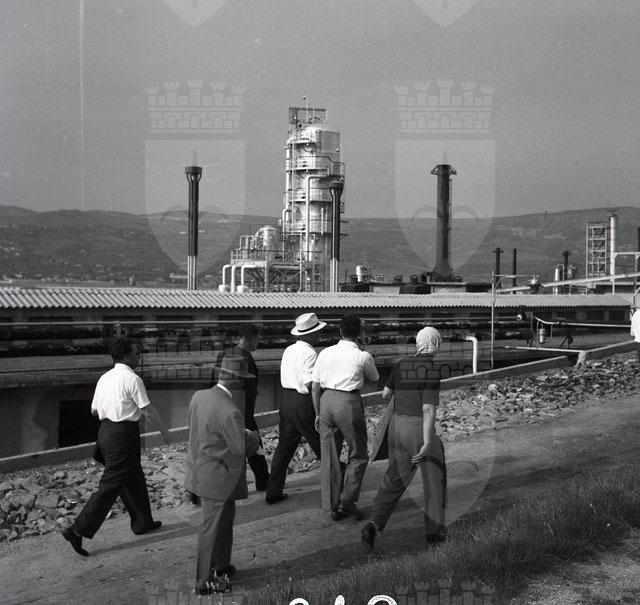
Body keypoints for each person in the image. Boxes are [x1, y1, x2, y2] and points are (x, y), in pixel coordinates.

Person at [61, 338, 170, 557]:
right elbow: (147, 410)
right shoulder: (132, 379)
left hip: (105, 432)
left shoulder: (104, 378)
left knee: (133, 476)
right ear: (127, 356)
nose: (139, 356)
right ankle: (77, 530)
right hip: (123, 434)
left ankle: (143, 522)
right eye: (137, 353)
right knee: (110, 485)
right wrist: (164, 432)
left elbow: (94, 410)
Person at [361, 326, 447, 552]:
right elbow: (428, 409)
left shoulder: (401, 364)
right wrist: (427, 442)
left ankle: (373, 524)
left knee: (394, 479)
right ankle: (434, 533)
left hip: (396, 427)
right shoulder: (432, 370)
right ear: (435, 344)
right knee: (434, 479)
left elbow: (386, 394)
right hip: (417, 428)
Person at [185, 356, 260, 593]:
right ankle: (203, 581)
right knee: (212, 528)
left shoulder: (199, 396)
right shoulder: (230, 410)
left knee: (224, 521)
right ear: (236, 381)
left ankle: (222, 566)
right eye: (243, 380)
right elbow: (240, 448)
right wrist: (253, 438)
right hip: (218, 478)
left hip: (201, 470)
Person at [312, 314, 379, 521]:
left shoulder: (325, 353)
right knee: (357, 453)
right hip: (348, 402)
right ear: (360, 332)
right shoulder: (362, 356)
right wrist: (364, 347)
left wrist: (317, 413)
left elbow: (315, 387)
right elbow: (375, 379)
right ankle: (347, 502)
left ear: (340, 331)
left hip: (326, 400)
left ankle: (333, 504)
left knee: (330, 454)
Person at [265, 312, 326, 505]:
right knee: (321, 444)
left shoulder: (289, 350)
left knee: (284, 448)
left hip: (286, 400)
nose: (319, 335)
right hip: (302, 402)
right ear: (310, 334)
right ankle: (337, 483)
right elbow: (309, 383)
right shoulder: (310, 353)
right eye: (317, 332)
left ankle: (273, 490)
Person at [212, 324, 269, 491]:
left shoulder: (223, 354)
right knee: (253, 445)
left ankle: (262, 479)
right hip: (241, 411)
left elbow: (214, 382)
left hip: (223, 408)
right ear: (251, 338)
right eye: (258, 339)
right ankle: (263, 480)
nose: (258, 343)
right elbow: (248, 389)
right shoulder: (246, 358)